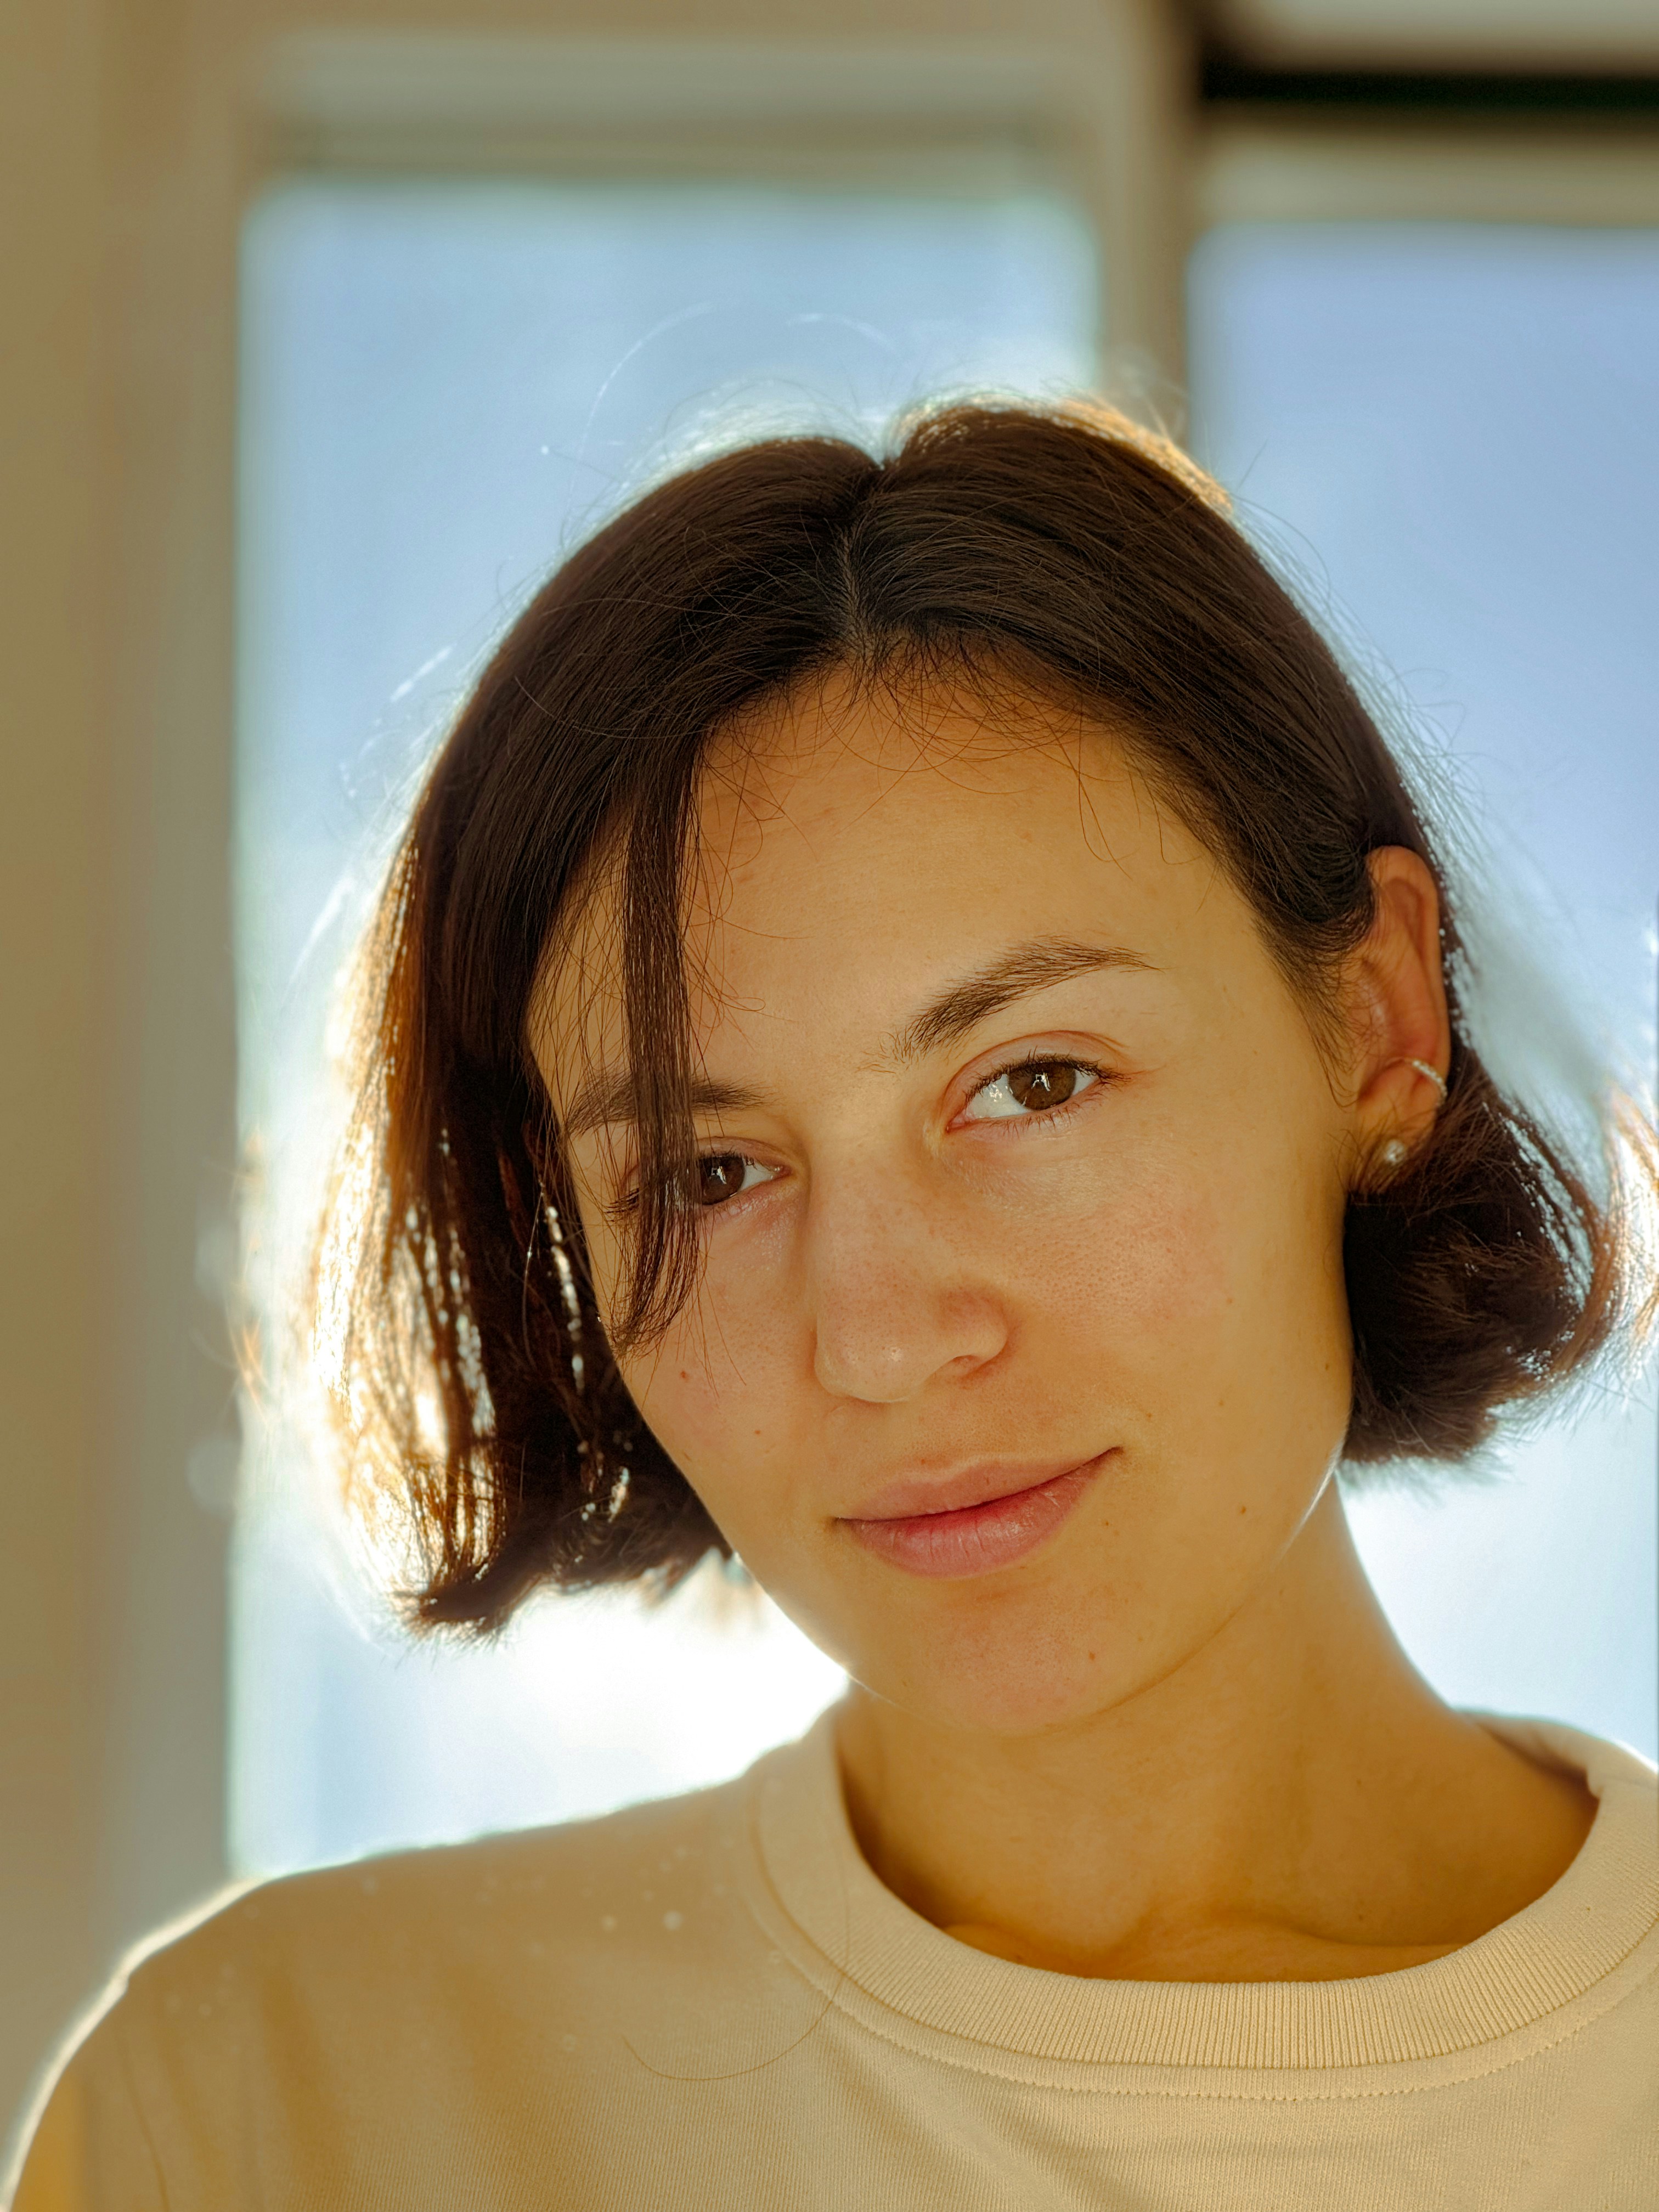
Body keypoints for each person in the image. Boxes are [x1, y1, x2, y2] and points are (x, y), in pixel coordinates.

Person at [10, 402, 1657, 2210]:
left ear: (1379, 1021)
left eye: (1034, 1083)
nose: (879, 1340)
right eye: (708, 1175)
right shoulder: (265, 2115)